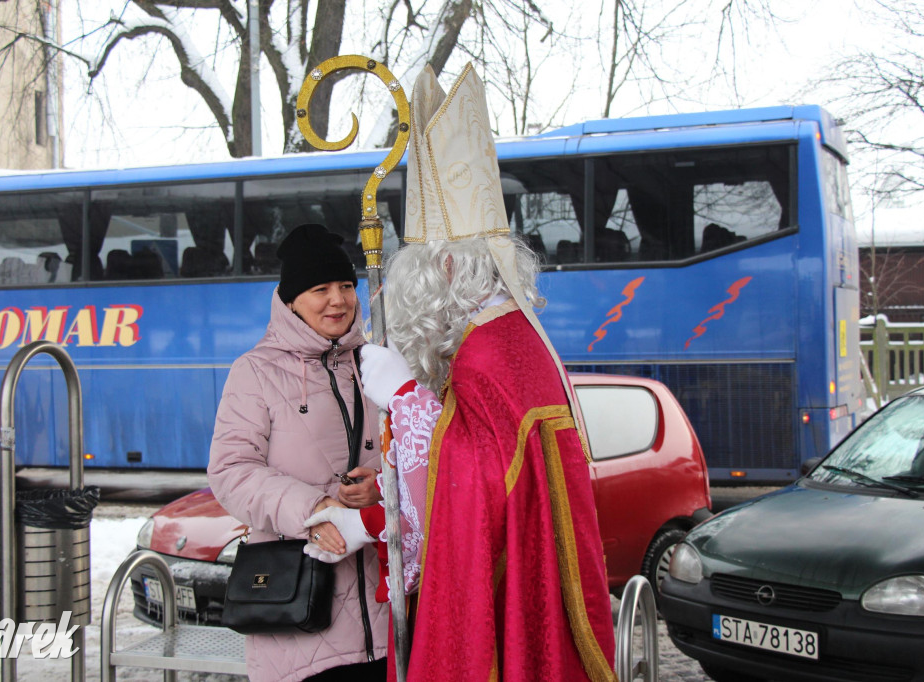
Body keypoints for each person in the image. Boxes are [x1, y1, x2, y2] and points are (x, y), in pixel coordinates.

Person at [303, 65, 617, 681]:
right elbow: (468, 470)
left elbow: (472, 487)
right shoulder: (496, 338)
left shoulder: (492, 350)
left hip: (500, 616)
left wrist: (405, 398)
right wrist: (375, 512)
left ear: (444, 269)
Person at [207, 223, 389, 682]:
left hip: (386, 618)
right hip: (299, 615)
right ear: (291, 300)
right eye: (320, 288)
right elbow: (231, 471)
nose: (339, 300)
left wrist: (381, 485)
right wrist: (314, 507)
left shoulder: (376, 363)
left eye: (347, 286)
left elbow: (409, 452)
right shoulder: (254, 371)